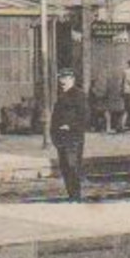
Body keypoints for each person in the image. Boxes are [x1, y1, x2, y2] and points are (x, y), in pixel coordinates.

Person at [49, 68, 88, 201]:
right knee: (65, 167)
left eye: (66, 78)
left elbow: (85, 117)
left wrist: (70, 126)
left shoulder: (79, 95)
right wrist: (53, 135)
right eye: (61, 79)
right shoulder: (61, 97)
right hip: (61, 138)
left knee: (73, 166)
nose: (62, 81)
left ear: (72, 80)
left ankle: (76, 196)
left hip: (74, 138)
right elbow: (55, 118)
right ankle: (71, 195)